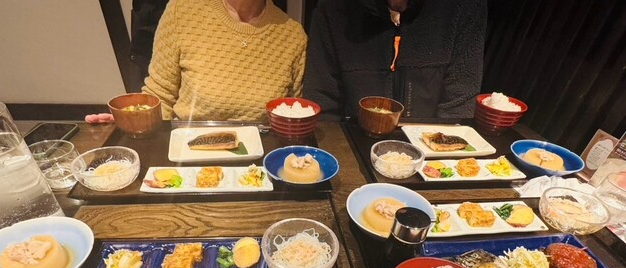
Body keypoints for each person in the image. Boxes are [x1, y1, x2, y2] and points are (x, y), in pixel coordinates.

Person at [303, 0, 487, 120]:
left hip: (434, 154)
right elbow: (323, 106)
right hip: (352, 150)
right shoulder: (333, 8)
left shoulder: (464, 6)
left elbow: (459, 107)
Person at [142, 0, 307, 121]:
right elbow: (160, 96)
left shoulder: (293, 36)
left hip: (262, 156)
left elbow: (294, 115)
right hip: (189, 149)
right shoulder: (182, 11)